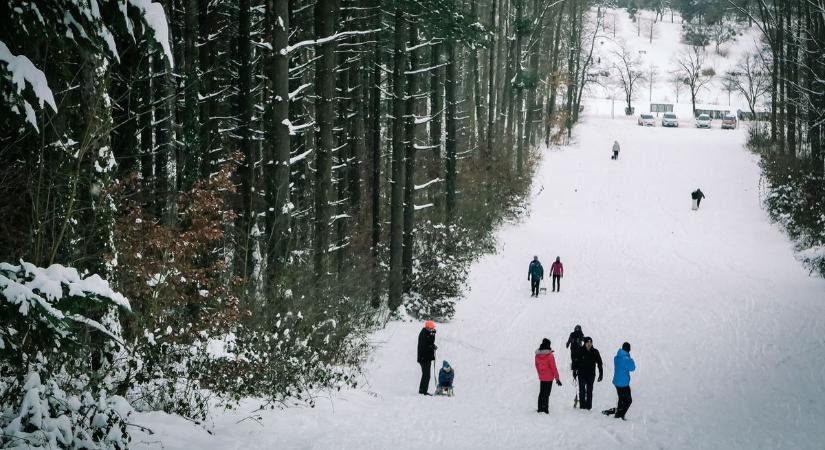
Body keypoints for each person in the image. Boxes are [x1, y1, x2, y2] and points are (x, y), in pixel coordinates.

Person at [603, 342, 636, 420]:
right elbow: (632, 368)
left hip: (617, 382)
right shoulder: (626, 359)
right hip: (623, 383)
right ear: (628, 349)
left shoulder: (617, 357)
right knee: (628, 400)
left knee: (621, 399)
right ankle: (619, 415)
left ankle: (618, 413)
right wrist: (631, 359)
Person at [572, 337, 603, 410]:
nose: (589, 344)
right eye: (587, 342)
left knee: (589, 391)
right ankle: (582, 406)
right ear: (585, 343)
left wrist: (601, 373)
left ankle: (588, 406)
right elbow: (575, 361)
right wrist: (574, 371)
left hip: (591, 374)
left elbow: (599, 363)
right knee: (582, 391)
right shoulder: (580, 350)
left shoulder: (595, 352)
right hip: (581, 374)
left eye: (590, 342)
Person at [534, 338, 562, 414]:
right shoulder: (550, 356)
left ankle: (540, 408)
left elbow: (536, 365)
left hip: (542, 377)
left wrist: (540, 374)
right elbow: (554, 368)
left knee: (541, 393)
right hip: (549, 378)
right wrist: (557, 379)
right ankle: (545, 409)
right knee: (547, 394)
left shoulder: (537, 355)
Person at [417, 320, 437, 395]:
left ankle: (422, 390)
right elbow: (425, 346)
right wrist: (432, 346)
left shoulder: (427, 333)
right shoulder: (423, 334)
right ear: (428, 327)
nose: (432, 329)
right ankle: (423, 391)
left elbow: (430, 342)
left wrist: (433, 335)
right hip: (423, 358)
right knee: (426, 375)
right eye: (431, 328)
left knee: (426, 375)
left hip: (426, 358)